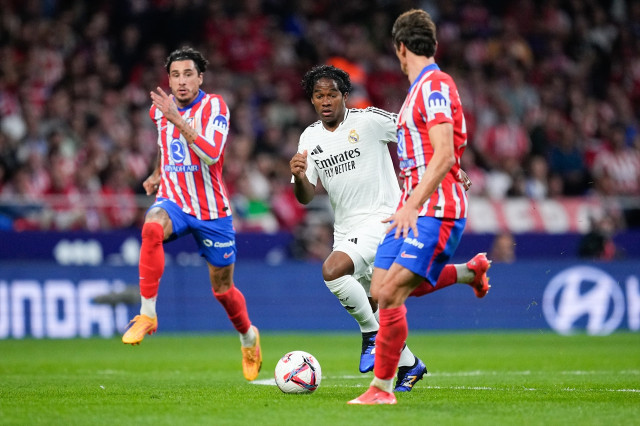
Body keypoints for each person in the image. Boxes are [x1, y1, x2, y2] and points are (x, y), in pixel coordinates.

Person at [348, 9, 491, 405]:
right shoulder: (418, 90)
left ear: (400, 48)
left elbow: (443, 152)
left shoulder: (434, 85)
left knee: (393, 293)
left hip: (433, 209)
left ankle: (381, 390)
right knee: (379, 291)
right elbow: (441, 150)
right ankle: (468, 272)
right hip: (409, 206)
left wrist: (413, 202)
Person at [121, 46, 262, 382]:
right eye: (175, 75)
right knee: (151, 227)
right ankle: (147, 314)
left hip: (212, 211)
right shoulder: (162, 112)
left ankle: (248, 338)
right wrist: (158, 172)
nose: (181, 81)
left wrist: (175, 117)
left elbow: (212, 155)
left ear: (201, 78)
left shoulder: (215, 106)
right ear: (168, 79)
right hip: (173, 201)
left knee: (223, 290)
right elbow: (163, 144)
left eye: (188, 74)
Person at [290, 64, 426, 392]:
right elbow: (306, 197)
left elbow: (414, 133)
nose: (326, 101)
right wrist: (298, 175)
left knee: (333, 271)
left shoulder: (368, 120)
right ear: (311, 100)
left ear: (345, 96)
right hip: (346, 229)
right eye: (319, 96)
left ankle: (370, 337)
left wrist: (451, 167)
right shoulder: (309, 137)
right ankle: (410, 365)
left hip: (383, 220)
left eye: (332, 94)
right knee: (375, 302)